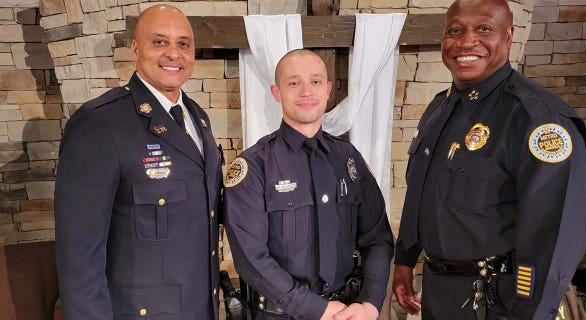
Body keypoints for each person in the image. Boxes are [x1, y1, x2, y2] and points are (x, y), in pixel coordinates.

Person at [392, 0, 586, 319]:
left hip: (500, 300)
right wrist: (404, 257)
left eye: (484, 29)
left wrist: (530, 311)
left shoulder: (537, 121)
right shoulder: (439, 108)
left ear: (509, 35)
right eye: (455, 30)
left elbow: (553, 236)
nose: (466, 42)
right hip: (440, 293)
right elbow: (421, 190)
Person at [54, 5, 223, 320]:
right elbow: (79, 256)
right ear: (135, 49)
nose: (174, 53)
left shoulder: (197, 117)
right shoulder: (101, 123)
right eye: (159, 42)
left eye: (183, 44)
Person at [223, 49, 394, 320]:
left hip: (348, 313)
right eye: (293, 83)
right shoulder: (254, 166)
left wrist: (371, 302)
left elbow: (378, 238)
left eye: (315, 82)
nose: (306, 92)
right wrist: (317, 309)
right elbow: (251, 258)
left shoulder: (349, 159)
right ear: (277, 92)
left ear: (327, 90)